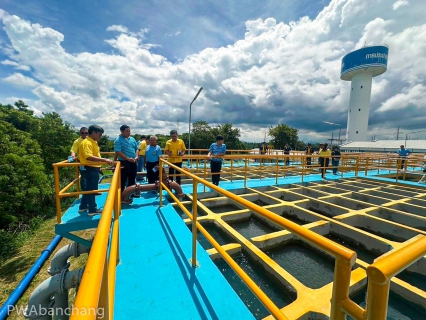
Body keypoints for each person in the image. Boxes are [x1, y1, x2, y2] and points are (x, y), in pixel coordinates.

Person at [78, 125, 115, 215]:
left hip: (91, 168)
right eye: (100, 134)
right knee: (92, 189)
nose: (100, 136)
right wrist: (105, 160)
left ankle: (83, 206)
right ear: (93, 133)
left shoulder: (92, 142)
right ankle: (92, 209)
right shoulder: (87, 143)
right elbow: (88, 156)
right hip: (90, 168)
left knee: (88, 188)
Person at [114, 125, 139, 192]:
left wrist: (136, 156)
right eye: (126, 131)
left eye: (129, 131)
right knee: (123, 179)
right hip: (124, 162)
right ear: (121, 131)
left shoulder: (132, 139)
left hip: (133, 162)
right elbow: (118, 151)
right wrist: (127, 158)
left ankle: (130, 193)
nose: (128, 133)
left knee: (132, 178)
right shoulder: (118, 140)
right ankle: (122, 196)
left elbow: (136, 149)